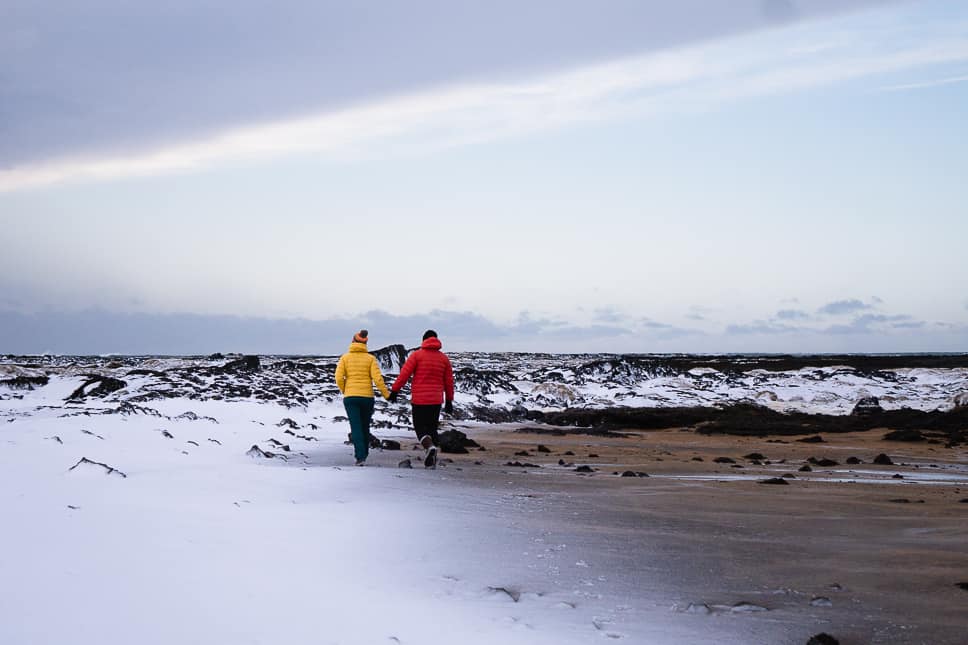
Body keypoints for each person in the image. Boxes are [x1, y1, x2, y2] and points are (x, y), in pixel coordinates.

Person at [389, 329, 455, 469]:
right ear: (436, 340)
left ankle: (429, 447)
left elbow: (404, 375)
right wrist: (449, 401)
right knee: (432, 428)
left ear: (423, 340)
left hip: (419, 400)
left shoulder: (416, 356)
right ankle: (431, 460)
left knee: (420, 427)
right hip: (436, 400)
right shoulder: (443, 359)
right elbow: (449, 382)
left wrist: (394, 391)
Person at [335, 329, 391, 466]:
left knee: (356, 427)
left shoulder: (345, 358)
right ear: (365, 343)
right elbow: (377, 379)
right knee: (365, 426)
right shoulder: (370, 359)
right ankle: (364, 454)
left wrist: (345, 390)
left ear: (353, 342)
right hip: (367, 397)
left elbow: (338, 378)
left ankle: (360, 456)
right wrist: (387, 394)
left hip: (351, 398)